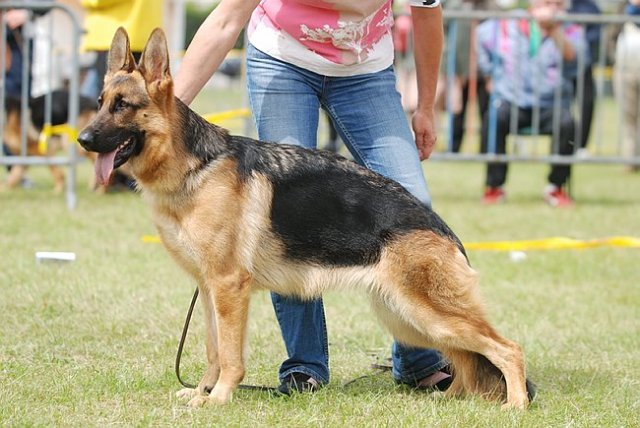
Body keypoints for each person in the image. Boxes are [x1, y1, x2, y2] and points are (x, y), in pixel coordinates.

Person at [174, 0, 452, 395]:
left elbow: (427, 17)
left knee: (414, 202)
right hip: (282, 58)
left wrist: (425, 106)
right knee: (282, 212)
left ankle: (418, 359)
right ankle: (304, 367)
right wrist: (171, 111)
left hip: (365, 69)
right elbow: (225, 20)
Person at [476, 0, 587, 207]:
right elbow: (480, 35)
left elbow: (577, 61)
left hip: (551, 103)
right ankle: (494, 186)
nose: (551, 7)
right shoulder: (506, 23)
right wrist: (488, 72)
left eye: (556, 3)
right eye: (546, 2)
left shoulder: (571, 28)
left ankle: (556, 187)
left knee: (567, 123)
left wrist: (554, 30)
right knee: (494, 118)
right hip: (512, 100)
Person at [80, 0, 162, 190]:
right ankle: (119, 181)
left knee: (116, 124)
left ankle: (119, 181)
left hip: (115, 30)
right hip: (142, 28)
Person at [568, 0, 601, 155]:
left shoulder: (589, 6)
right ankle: (564, 144)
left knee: (587, 103)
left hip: (583, 64)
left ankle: (580, 145)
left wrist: (578, 44)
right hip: (559, 65)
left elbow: (595, 33)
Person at [614, 0, 640, 173]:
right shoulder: (623, 9)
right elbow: (612, 34)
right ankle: (631, 161)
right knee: (628, 118)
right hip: (624, 70)